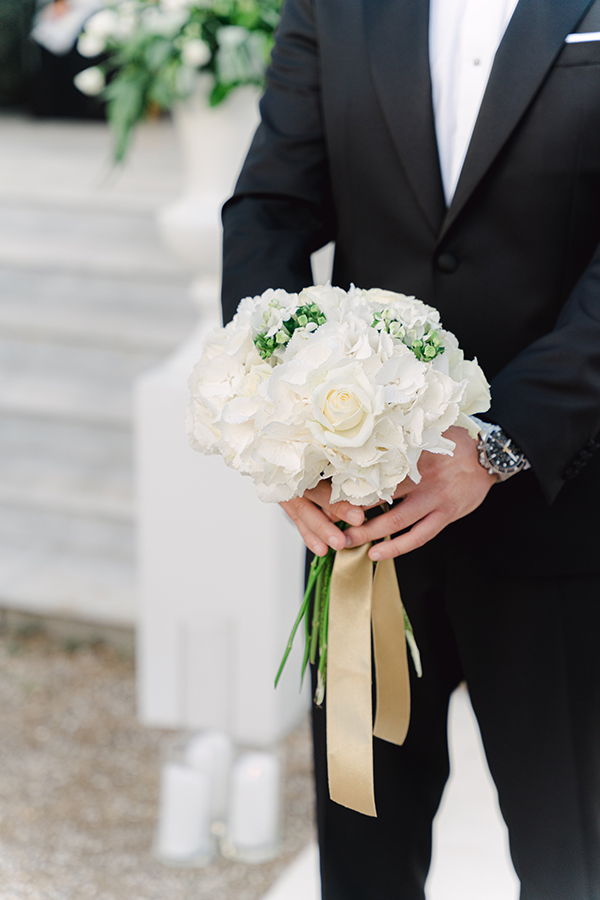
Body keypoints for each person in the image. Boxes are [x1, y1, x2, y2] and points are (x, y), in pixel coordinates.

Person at [221, 0, 600, 897]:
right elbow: (271, 205)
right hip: (367, 522)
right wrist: (284, 418)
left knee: (574, 862)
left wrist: (499, 440)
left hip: (565, 514)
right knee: (363, 863)